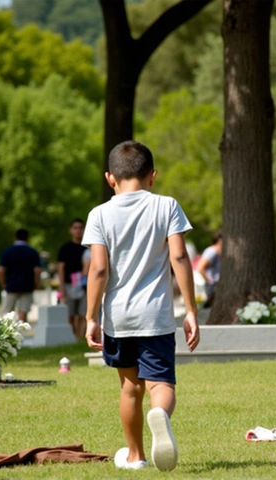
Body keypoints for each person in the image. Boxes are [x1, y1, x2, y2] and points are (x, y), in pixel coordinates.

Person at [83, 140, 199, 472]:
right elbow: (178, 256)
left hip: (118, 317)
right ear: (153, 176)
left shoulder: (99, 215)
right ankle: (160, 415)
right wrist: (190, 310)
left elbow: (99, 270)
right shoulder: (167, 206)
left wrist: (91, 317)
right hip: (156, 315)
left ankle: (135, 457)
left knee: (130, 387)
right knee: (160, 384)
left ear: (110, 178)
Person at [0, 229, 42, 322]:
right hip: (27, 285)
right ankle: (21, 332)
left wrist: (3, 283)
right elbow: (37, 270)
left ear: (15, 237)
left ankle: (8, 333)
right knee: (23, 311)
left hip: (11, 285)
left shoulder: (8, 251)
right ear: (28, 238)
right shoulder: (32, 252)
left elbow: (1, 270)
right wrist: (37, 283)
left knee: (8, 312)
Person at [58, 219, 87, 339]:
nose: (78, 230)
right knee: (70, 314)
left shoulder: (87, 248)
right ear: (70, 230)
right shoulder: (65, 248)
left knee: (82, 314)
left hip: (84, 286)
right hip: (69, 285)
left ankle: (80, 337)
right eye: (75, 228)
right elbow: (61, 268)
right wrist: (62, 287)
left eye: (80, 228)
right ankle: (72, 336)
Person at [196, 231, 222, 308]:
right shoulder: (212, 251)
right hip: (213, 285)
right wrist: (210, 281)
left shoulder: (217, 251)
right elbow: (200, 267)